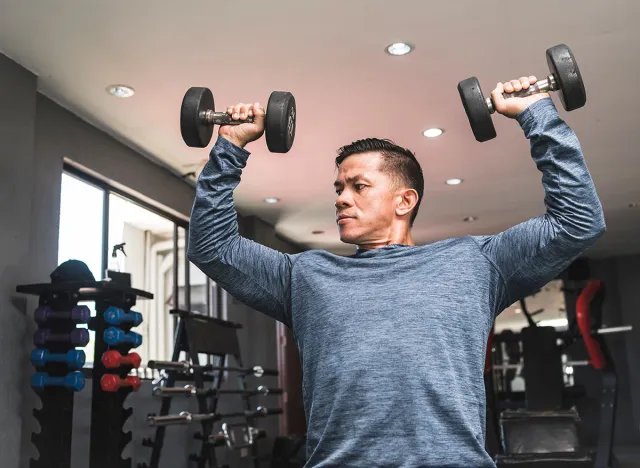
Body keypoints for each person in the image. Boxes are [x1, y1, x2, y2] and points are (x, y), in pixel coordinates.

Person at [187, 76, 605, 467]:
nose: (341, 199)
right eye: (338, 189)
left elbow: (577, 220)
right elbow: (213, 247)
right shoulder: (306, 277)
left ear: (404, 201)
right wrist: (229, 146)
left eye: (358, 186)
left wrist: (536, 113)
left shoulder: (475, 262)